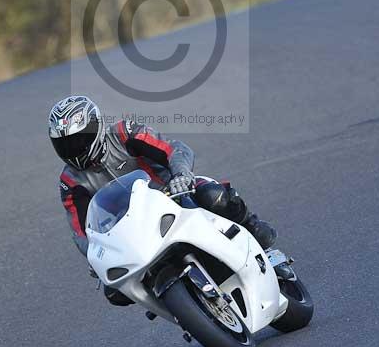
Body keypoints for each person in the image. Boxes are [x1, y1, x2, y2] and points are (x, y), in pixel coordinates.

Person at [49, 95, 277, 305]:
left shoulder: (124, 133)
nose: (73, 150)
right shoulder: (70, 180)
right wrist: (94, 255)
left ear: (96, 127)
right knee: (115, 290)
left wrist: (181, 175)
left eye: (78, 140)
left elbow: (174, 149)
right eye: (65, 144)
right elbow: (80, 230)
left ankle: (251, 226)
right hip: (132, 229)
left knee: (214, 197)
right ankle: (181, 307)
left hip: (175, 194)